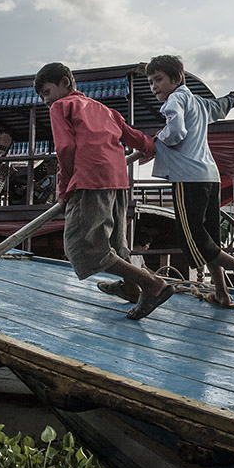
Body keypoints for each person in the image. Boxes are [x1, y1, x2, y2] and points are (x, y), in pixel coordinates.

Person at [33, 62, 172, 320]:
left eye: (46, 92)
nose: (45, 100)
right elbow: (140, 141)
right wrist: (158, 144)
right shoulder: (105, 110)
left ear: (65, 82)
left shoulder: (60, 107)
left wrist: (63, 189)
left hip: (90, 180)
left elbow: (65, 150)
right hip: (117, 181)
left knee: (83, 246)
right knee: (117, 244)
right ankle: (130, 288)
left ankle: (152, 285)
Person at [145, 55, 234, 309]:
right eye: (151, 82)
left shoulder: (175, 99)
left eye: (159, 80)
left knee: (195, 241)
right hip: (210, 176)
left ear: (177, 79)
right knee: (210, 238)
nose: (154, 86)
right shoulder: (198, 102)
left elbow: (175, 132)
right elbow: (220, 107)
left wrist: (158, 139)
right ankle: (222, 293)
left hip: (188, 177)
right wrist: (233, 98)